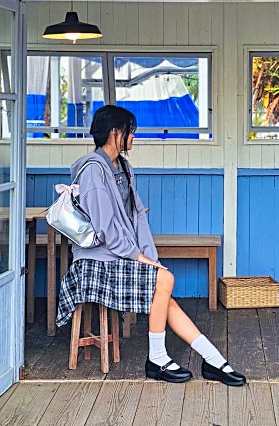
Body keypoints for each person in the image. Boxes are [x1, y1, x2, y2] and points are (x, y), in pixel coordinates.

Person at [54, 104, 245, 386]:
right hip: (96, 260)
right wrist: (138, 256)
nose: (134, 138)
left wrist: (147, 256)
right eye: (130, 132)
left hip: (119, 254)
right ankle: (159, 358)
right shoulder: (94, 171)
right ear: (115, 133)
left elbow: (136, 216)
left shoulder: (123, 167)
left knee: (163, 285)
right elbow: (106, 225)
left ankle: (213, 360)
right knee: (164, 280)